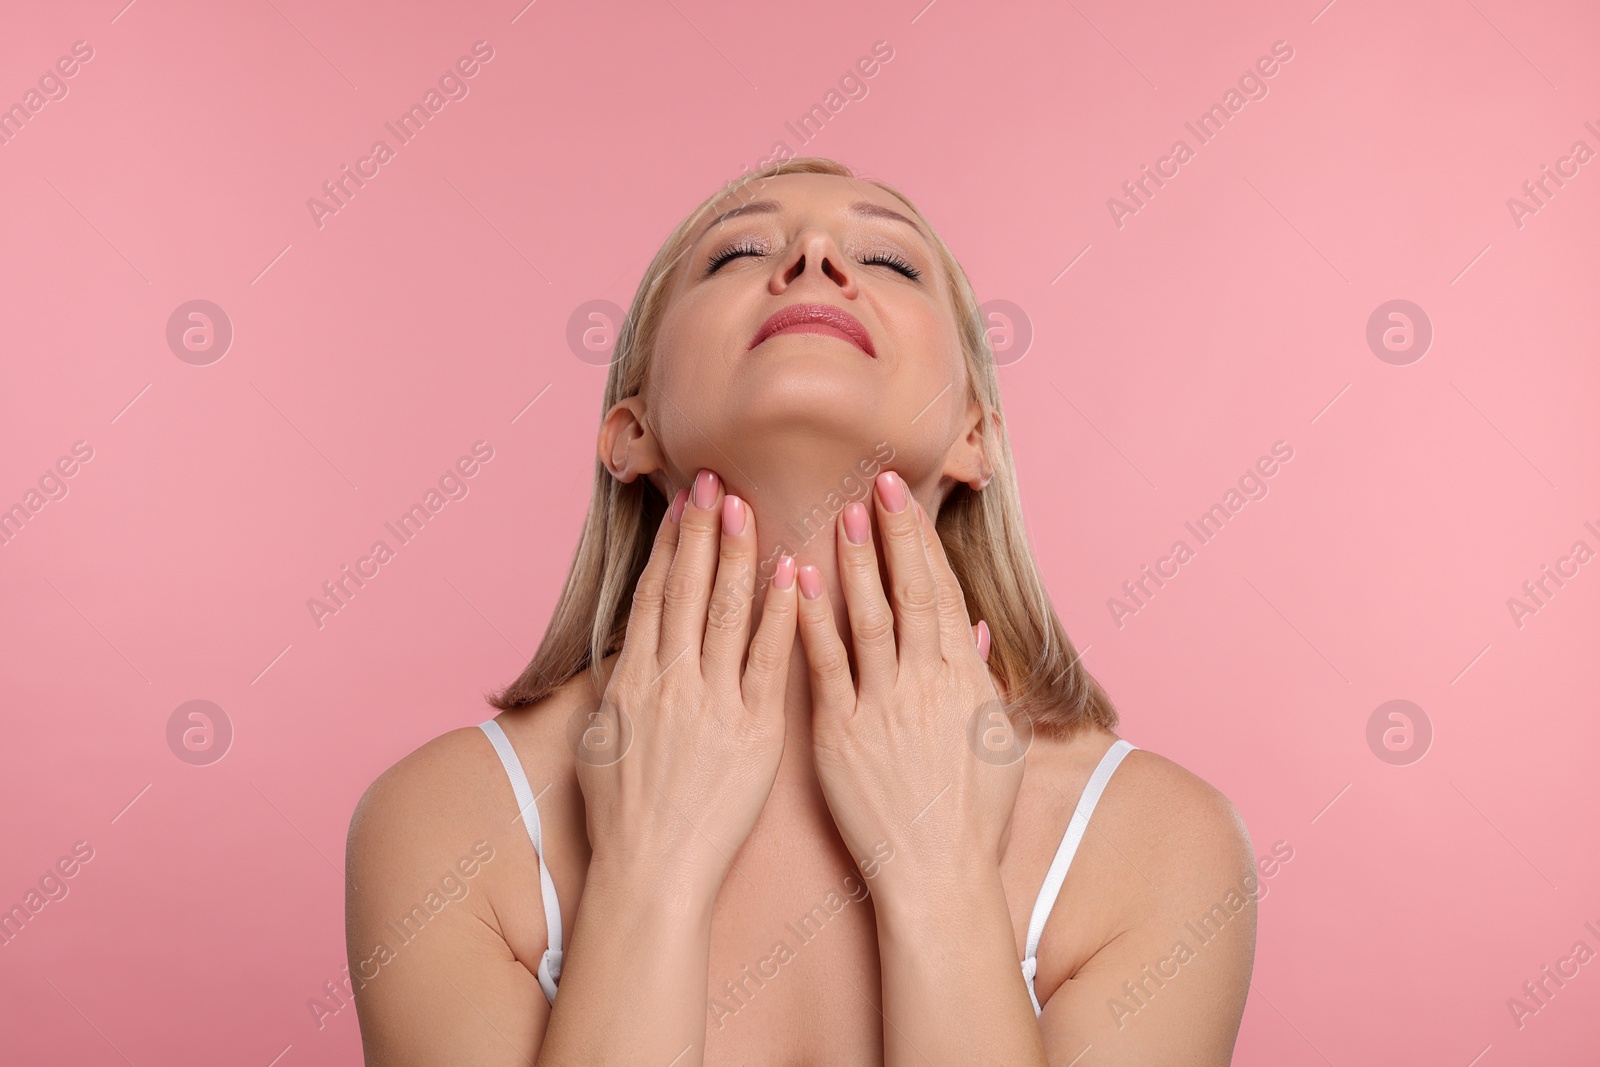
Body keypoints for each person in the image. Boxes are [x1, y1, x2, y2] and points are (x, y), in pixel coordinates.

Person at [344, 156, 1256, 1065]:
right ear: (631, 431)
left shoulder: (1160, 845)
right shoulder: (446, 823)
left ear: (977, 435)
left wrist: (938, 877)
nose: (815, 257)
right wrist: (649, 868)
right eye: (737, 252)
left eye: (891, 262)